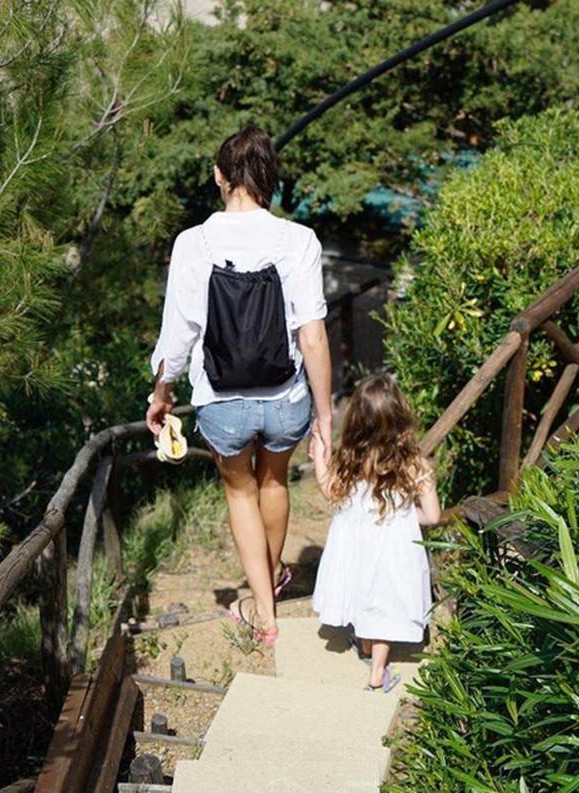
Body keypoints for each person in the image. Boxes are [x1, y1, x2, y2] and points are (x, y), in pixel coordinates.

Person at [146, 126, 333, 645]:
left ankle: (265, 615)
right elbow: (312, 336)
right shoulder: (299, 240)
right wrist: (325, 417)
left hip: (221, 401)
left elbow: (178, 335)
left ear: (219, 176)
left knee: (240, 492)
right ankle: (269, 581)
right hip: (287, 398)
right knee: (274, 482)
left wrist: (162, 395)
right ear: (271, 178)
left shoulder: (193, 243)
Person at [309, 374, 440, 692]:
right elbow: (433, 516)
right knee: (384, 603)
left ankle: (365, 645)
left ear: (355, 419)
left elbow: (329, 491)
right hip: (395, 548)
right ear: (401, 418)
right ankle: (378, 669)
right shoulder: (414, 465)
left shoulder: (350, 460)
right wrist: (405, 515)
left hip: (356, 543)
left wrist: (319, 458)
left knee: (363, 592)